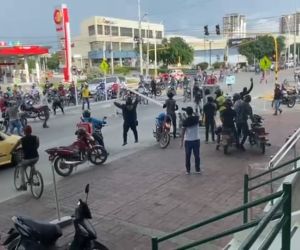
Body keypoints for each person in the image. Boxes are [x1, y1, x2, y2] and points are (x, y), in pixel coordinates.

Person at [15, 125, 39, 191]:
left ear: (24, 132)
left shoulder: (21, 140)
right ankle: (32, 177)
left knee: (21, 168)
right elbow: (37, 145)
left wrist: (12, 151)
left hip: (27, 159)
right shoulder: (36, 137)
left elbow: (15, 146)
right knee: (32, 163)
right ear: (31, 131)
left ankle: (23, 185)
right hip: (36, 157)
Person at [180, 106, 201, 175]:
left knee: (188, 156)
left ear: (186, 113)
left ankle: (188, 170)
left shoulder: (185, 121)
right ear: (192, 112)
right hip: (196, 139)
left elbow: (183, 132)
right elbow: (197, 114)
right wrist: (193, 112)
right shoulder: (196, 118)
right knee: (197, 155)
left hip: (188, 141)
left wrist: (181, 142)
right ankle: (197, 169)